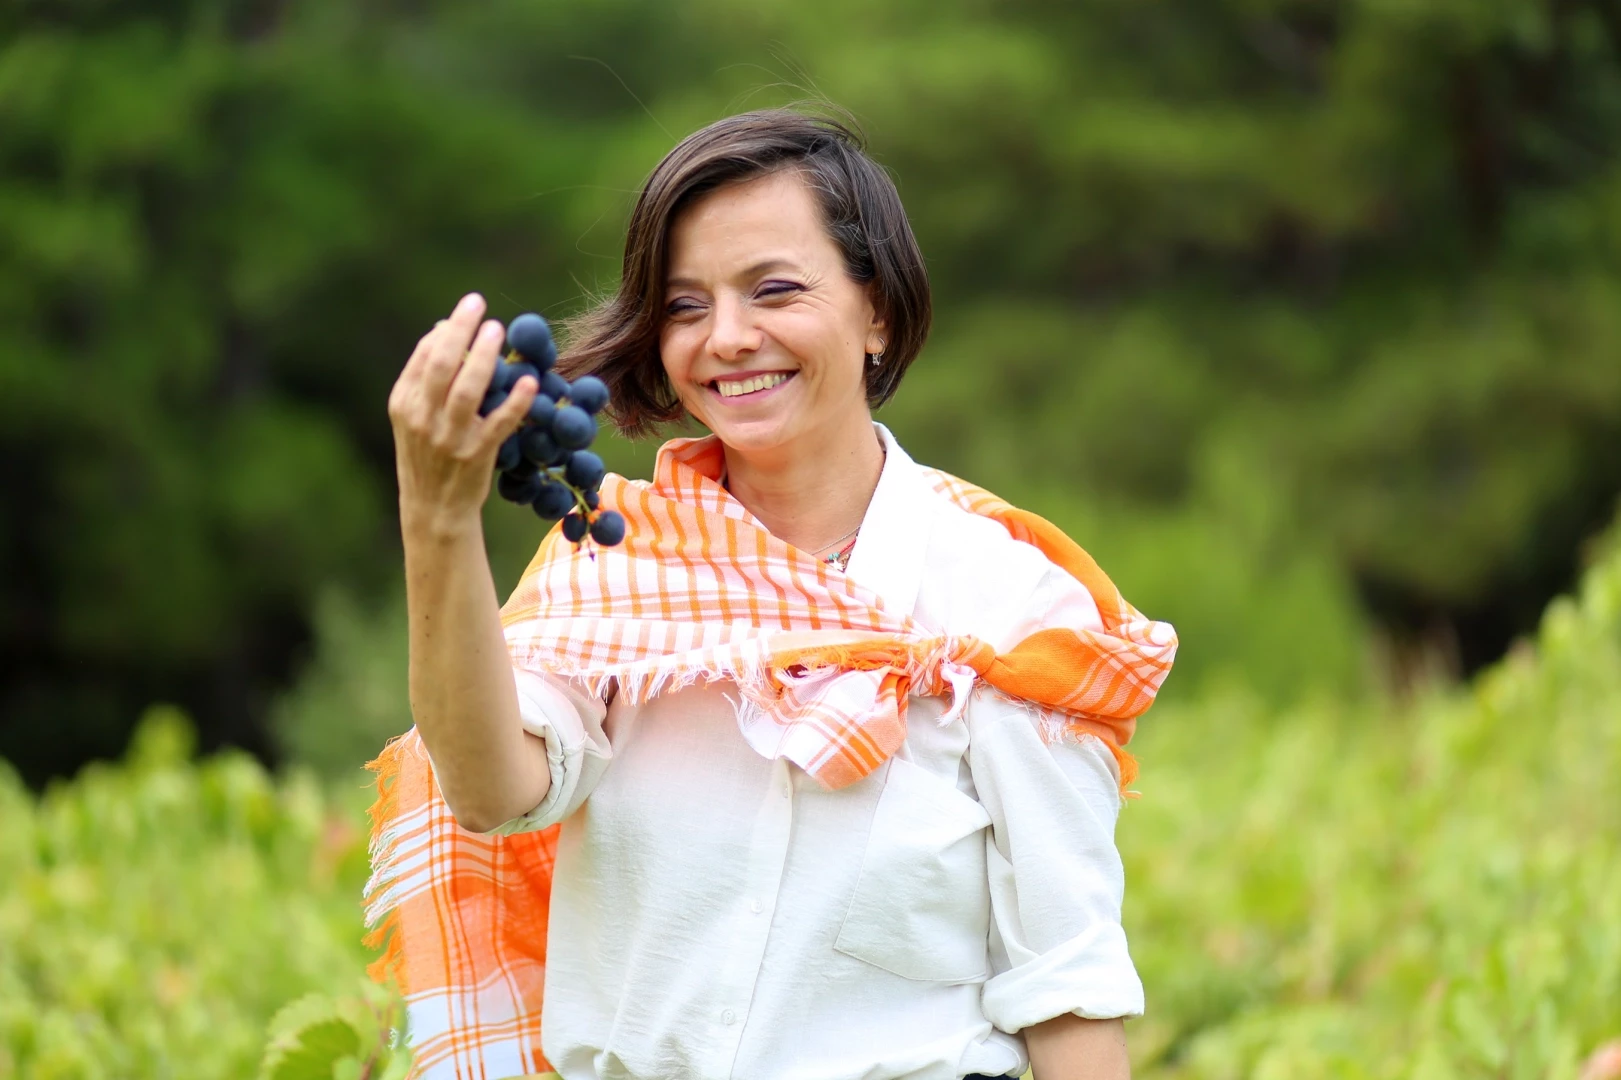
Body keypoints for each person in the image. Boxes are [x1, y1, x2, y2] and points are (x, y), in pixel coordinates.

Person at [372, 108, 1177, 1080]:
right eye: (683, 306)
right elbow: (494, 787)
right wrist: (438, 520)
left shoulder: (1003, 611)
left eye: (775, 290)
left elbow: (1066, 991)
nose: (728, 339)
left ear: (876, 309)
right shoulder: (618, 574)